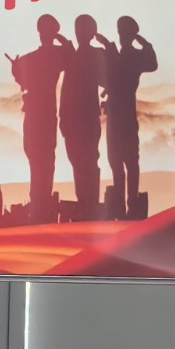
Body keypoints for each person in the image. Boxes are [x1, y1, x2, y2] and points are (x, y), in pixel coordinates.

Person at [8, 14, 70, 224]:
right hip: (42, 114)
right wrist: (60, 39)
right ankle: (40, 204)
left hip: (39, 114)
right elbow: (71, 55)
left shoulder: (35, 58)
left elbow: (21, 79)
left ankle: (40, 205)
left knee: (40, 161)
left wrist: (16, 70)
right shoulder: (54, 56)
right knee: (42, 161)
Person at [103, 15, 158, 220]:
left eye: (124, 33)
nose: (121, 37)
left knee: (128, 161)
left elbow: (152, 64)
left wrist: (143, 43)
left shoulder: (132, 56)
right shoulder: (126, 55)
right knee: (117, 160)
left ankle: (130, 205)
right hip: (117, 113)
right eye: (120, 33)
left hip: (124, 113)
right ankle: (123, 204)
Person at [60, 13, 110, 220]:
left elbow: (105, 78)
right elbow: (67, 88)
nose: (79, 33)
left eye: (83, 29)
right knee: (77, 161)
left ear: (91, 32)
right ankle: (85, 204)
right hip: (72, 118)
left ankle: (89, 205)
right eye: (77, 29)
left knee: (87, 161)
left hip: (86, 118)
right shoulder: (77, 54)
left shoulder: (95, 54)